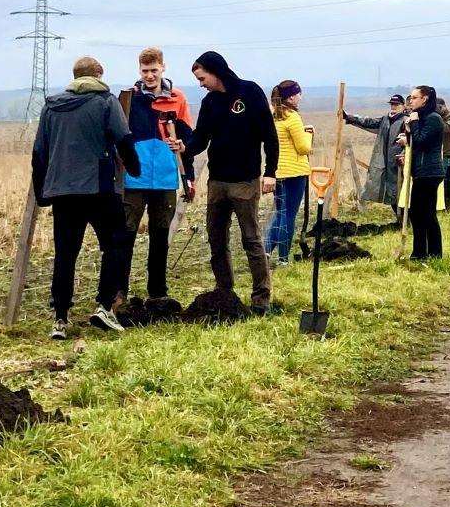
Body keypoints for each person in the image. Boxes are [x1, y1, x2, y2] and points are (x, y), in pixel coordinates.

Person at [32, 56, 142, 339]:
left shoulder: (52, 106)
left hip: (63, 193)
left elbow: (39, 153)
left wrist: (43, 192)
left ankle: (60, 318)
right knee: (115, 245)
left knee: (66, 253)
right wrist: (134, 169)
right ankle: (104, 306)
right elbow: (124, 139)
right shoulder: (106, 102)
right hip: (101, 188)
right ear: (99, 74)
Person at [172, 51, 278, 314]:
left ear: (215, 70)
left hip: (245, 180)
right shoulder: (209, 103)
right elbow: (201, 138)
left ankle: (261, 299)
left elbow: (269, 135)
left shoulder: (250, 92)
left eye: (202, 78)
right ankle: (224, 293)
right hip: (217, 181)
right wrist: (185, 146)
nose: (201, 83)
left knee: (251, 239)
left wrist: (270, 171)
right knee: (216, 238)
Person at [118, 47, 195, 307]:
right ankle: (119, 291)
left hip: (165, 179)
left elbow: (189, 140)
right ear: (139, 71)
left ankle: (158, 291)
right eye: (145, 71)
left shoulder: (178, 98)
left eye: (154, 70)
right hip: (133, 180)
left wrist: (189, 173)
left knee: (160, 236)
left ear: (163, 67)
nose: (149, 75)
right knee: (126, 235)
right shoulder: (130, 99)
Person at [266, 80, 313, 267]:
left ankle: (266, 252)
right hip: (294, 172)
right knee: (289, 216)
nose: (300, 97)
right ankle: (284, 258)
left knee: (280, 213)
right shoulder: (292, 117)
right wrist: (309, 133)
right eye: (299, 94)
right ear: (291, 97)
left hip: (276, 172)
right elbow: (303, 148)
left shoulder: (272, 116)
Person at [397, 85, 444, 260]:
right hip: (422, 171)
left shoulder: (433, 119)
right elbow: (417, 140)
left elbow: (422, 141)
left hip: (429, 172)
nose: (411, 101)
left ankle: (420, 253)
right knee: (426, 213)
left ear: (424, 99)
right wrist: (407, 136)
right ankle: (432, 253)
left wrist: (414, 123)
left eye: (414, 97)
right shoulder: (425, 118)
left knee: (419, 213)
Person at [344, 94, 407, 214]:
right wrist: (349, 117)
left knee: (402, 191)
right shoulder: (385, 120)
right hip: (385, 162)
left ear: (403, 106)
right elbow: (368, 121)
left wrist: (403, 155)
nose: (393, 107)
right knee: (390, 192)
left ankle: (406, 219)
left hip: (400, 163)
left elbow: (410, 142)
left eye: (396, 104)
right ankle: (399, 218)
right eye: (392, 104)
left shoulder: (405, 121)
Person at [436, 98, 450, 198]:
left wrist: (437, 118)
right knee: (446, 176)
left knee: (447, 176)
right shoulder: (440, 117)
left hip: (448, 152)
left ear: (444, 106)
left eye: (439, 108)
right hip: (441, 152)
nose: (438, 110)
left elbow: (446, 128)